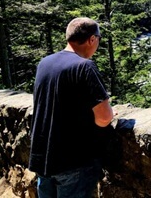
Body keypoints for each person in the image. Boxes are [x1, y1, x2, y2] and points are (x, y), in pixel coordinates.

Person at [29, 17, 114, 198]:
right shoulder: (84, 67)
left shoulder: (45, 63)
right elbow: (105, 117)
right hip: (73, 161)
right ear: (92, 39)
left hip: (43, 158)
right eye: (98, 38)